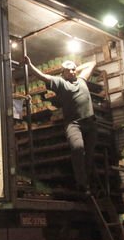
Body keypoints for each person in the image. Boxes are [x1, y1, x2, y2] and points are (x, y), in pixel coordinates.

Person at [24, 55, 97, 195]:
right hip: (74, 124)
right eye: (68, 70)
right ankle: (82, 184)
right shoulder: (60, 83)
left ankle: (88, 185)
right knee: (78, 148)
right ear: (62, 73)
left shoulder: (82, 79)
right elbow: (43, 76)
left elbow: (92, 63)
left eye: (73, 70)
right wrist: (30, 64)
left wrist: (76, 68)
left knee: (89, 156)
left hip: (90, 123)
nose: (72, 72)